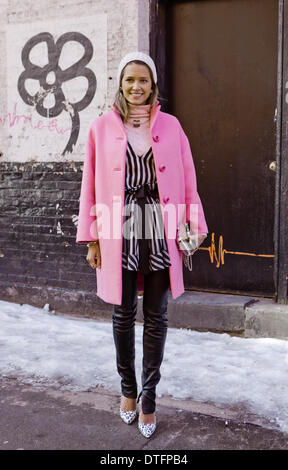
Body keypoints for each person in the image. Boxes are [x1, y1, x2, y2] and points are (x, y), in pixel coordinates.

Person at [76, 51, 208, 438]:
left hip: (160, 226)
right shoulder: (100, 127)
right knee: (122, 316)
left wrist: (193, 225)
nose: (137, 87)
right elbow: (90, 185)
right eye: (129, 80)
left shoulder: (171, 126)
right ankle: (127, 392)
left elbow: (188, 180)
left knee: (157, 315)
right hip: (118, 227)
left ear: (153, 86)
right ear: (120, 84)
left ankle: (149, 398)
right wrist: (92, 238)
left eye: (144, 81)